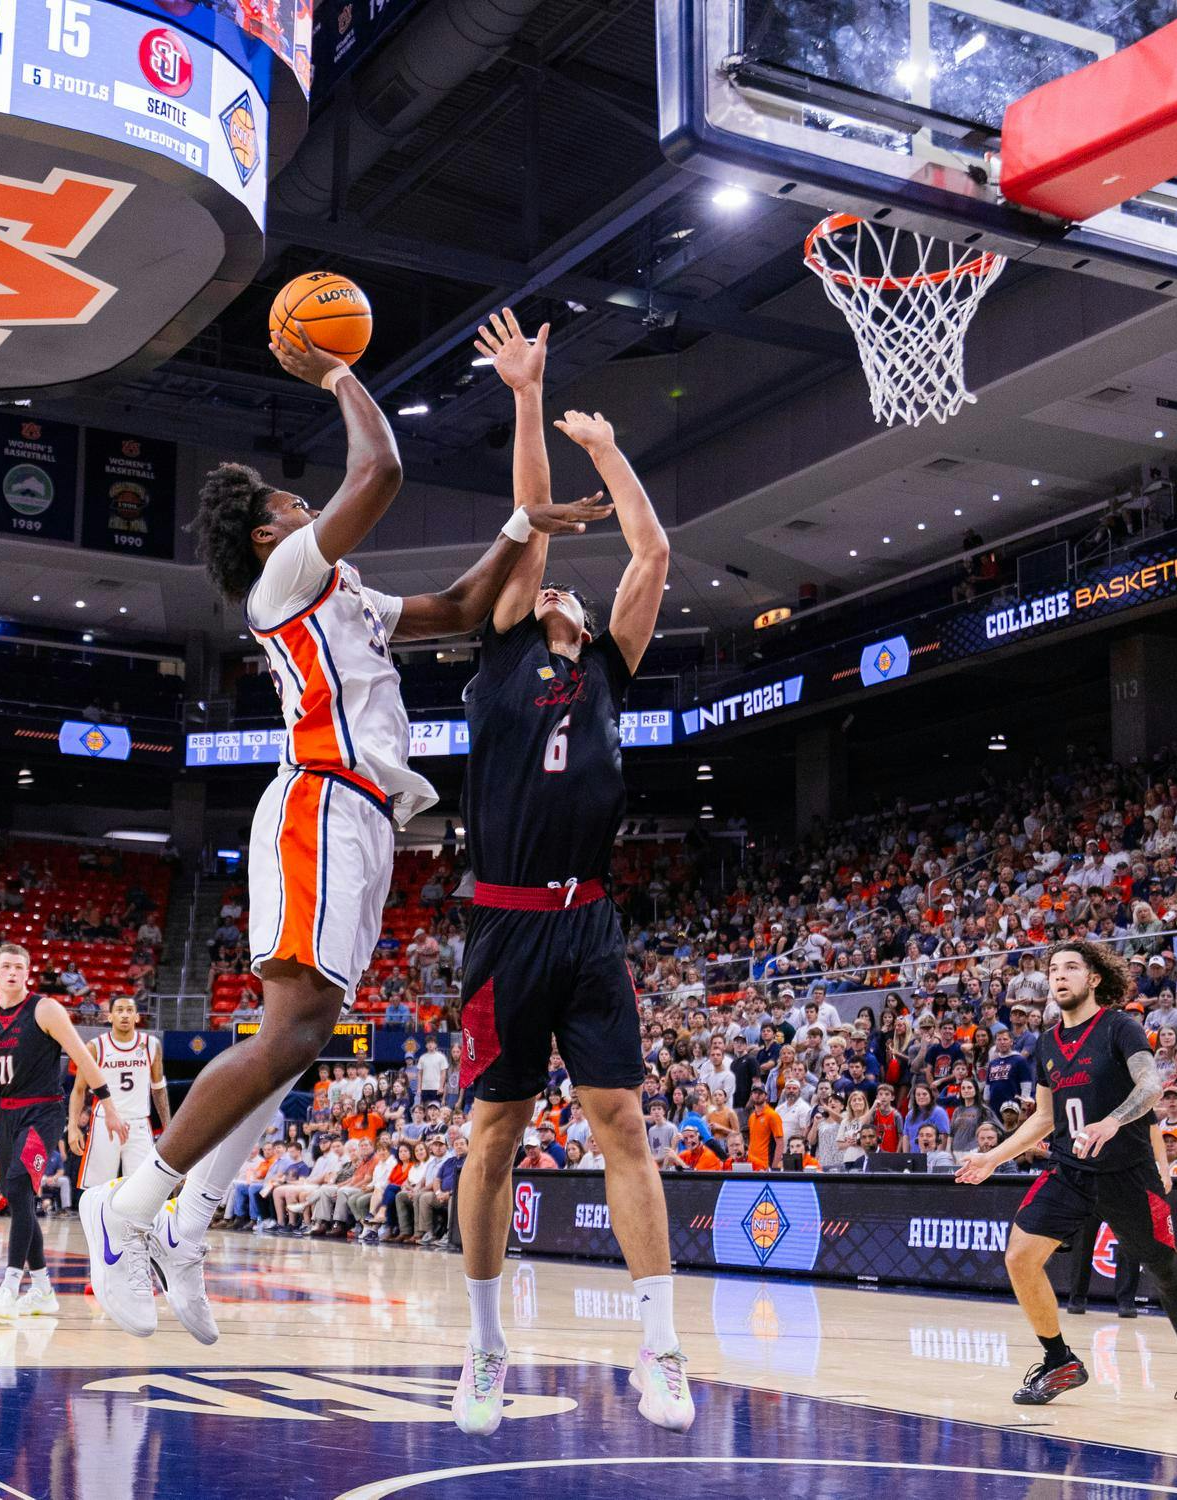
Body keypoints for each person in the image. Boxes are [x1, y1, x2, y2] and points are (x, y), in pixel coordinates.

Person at [89, 313, 609, 1343]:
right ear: (266, 535)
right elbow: (380, 470)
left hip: (362, 819)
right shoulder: (280, 581)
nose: (308, 504)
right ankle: (129, 1209)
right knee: (288, 1033)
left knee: (298, 1044)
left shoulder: (343, 591)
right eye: (291, 501)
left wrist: (522, 501)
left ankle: (187, 1223)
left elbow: (466, 605)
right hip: (318, 801)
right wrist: (334, 373)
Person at [442, 311, 688, 1435]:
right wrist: (528, 401)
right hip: (499, 928)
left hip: (586, 924)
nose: (556, 590)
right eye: (544, 588)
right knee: (492, 1138)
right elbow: (531, 528)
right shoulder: (498, 655)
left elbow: (651, 553)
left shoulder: (607, 673)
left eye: (567, 596)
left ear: (585, 625)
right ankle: (485, 1350)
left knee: (621, 1123)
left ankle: (663, 1346)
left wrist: (607, 447)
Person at [957, 941, 1177, 1407]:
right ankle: (1059, 1360)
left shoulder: (1119, 1026)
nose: (1059, 976)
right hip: (1070, 1170)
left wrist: (1113, 1120)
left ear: (1094, 978)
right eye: (1053, 969)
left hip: (1127, 1172)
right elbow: (1043, 1118)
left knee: (1163, 1270)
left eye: (1071, 968)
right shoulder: (1046, 1043)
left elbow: (1150, 1084)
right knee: (1019, 1257)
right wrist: (993, 1158)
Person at [0, 942, 123, 1320]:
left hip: (44, 1112)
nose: (13, 972)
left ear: (27, 973)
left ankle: (11, 1287)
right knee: (19, 1199)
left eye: (19, 966)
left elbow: (82, 1056)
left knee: (17, 1185)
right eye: (6, 967)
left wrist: (108, 1105)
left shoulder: (45, 1009)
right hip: (9, 1115)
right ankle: (44, 1289)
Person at [69, 995, 167, 1207]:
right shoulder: (96, 1046)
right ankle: (97, 1234)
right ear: (110, 1016)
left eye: (129, 1010)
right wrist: (73, 1126)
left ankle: (135, 1236)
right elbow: (78, 1090)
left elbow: (159, 1089)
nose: (124, 1015)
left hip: (139, 1123)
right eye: (120, 1010)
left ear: (137, 1016)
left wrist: (168, 1125)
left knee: (143, 1190)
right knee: (98, 1191)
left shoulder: (152, 1045)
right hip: (105, 1123)